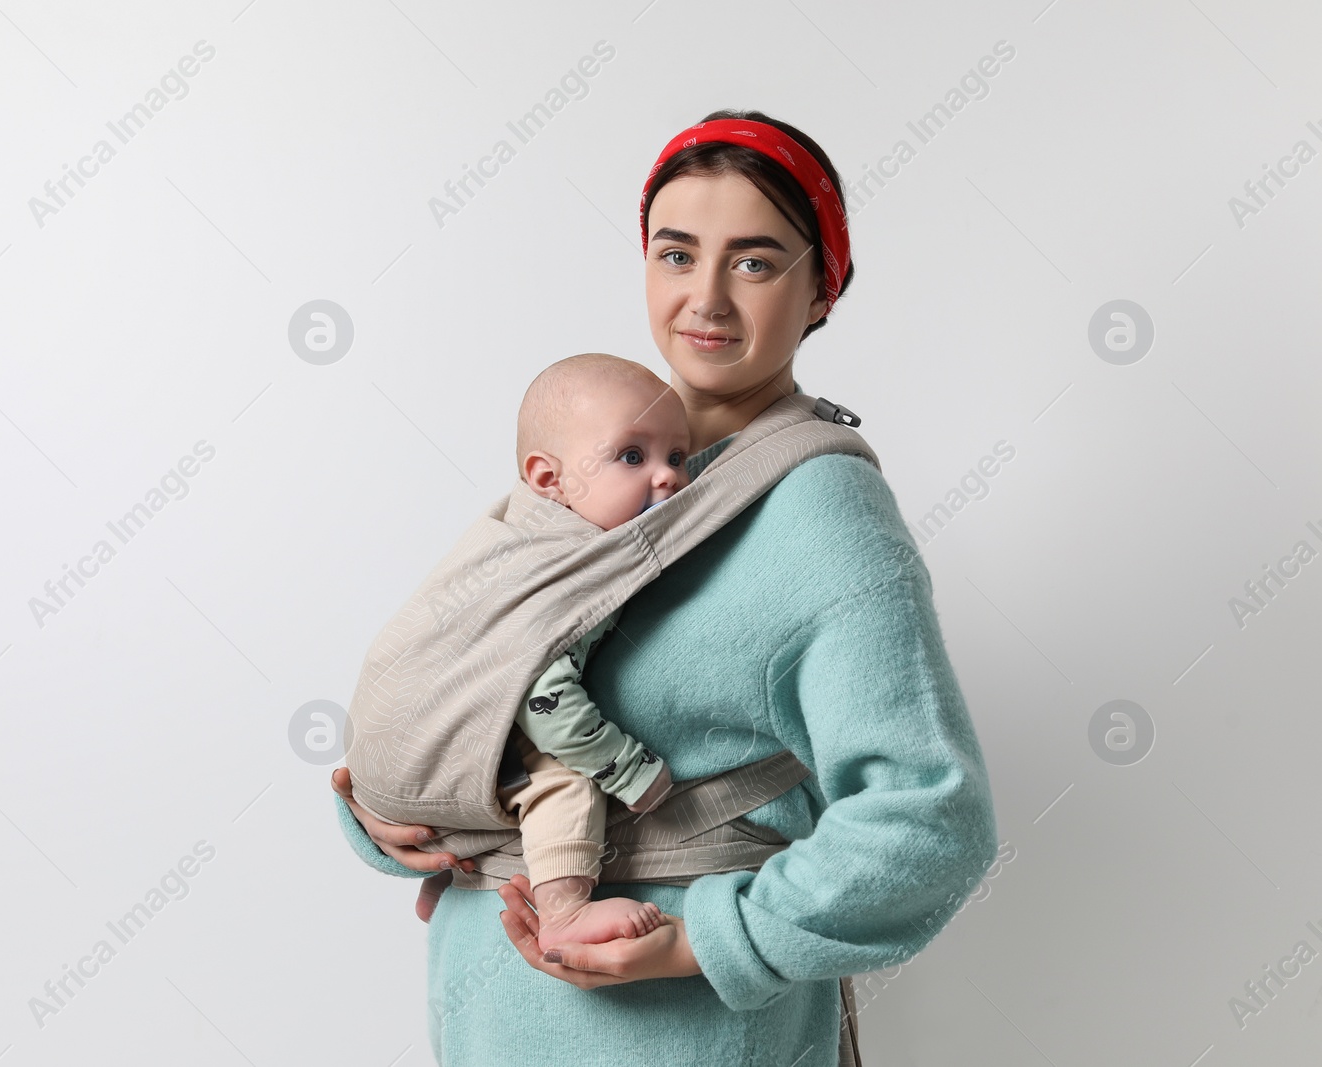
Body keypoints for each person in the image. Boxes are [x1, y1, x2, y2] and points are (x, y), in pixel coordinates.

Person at [331, 109, 999, 1066]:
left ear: (823, 291)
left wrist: (706, 941)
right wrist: (384, 809)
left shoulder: (823, 511)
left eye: (757, 262)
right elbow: (472, 675)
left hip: (680, 1037)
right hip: (490, 1016)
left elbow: (931, 814)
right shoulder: (595, 463)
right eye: (677, 254)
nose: (708, 299)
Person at [399, 352, 687, 953]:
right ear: (549, 479)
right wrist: (629, 769)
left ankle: (462, 872)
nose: (667, 478)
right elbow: (543, 698)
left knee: (509, 766)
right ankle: (563, 909)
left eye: (678, 458)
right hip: (418, 747)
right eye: (632, 457)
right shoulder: (563, 568)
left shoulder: (521, 529)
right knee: (561, 778)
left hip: (412, 746)